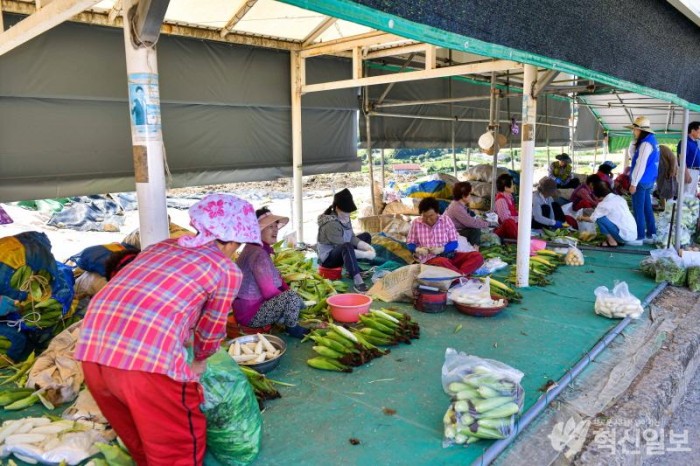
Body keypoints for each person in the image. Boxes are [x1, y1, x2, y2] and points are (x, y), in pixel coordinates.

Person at [75, 194, 260, 465]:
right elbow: (210, 329)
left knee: (138, 435)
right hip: (147, 364)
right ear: (233, 240)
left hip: (92, 351)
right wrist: (199, 361)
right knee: (177, 446)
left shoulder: (161, 247)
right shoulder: (225, 269)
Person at [234, 207, 308, 338]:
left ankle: (284, 318)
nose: (275, 230)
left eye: (276, 226)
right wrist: (293, 300)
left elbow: (277, 282)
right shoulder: (259, 254)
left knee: (290, 295)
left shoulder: (252, 248)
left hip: (243, 311)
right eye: (270, 227)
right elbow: (268, 292)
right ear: (258, 230)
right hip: (251, 315)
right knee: (290, 297)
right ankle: (292, 328)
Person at [406, 197, 484, 276]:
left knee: (477, 256)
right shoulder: (416, 223)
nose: (428, 220)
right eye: (425, 217)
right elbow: (410, 243)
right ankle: (460, 275)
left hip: (450, 255)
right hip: (431, 260)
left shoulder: (446, 220)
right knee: (441, 262)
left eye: (431, 216)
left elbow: (454, 243)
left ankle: (457, 276)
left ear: (437, 212)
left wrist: (442, 249)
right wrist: (417, 249)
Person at [317, 188, 375, 293]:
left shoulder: (344, 217)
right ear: (337, 208)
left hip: (343, 250)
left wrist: (365, 247)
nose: (348, 214)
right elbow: (344, 246)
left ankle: (351, 269)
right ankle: (357, 281)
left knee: (366, 236)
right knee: (347, 246)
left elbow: (351, 237)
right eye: (346, 211)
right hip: (328, 259)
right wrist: (365, 255)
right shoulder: (331, 224)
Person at [626, 116, 660, 243]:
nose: (633, 132)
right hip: (649, 180)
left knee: (638, 209)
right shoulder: (652, 140)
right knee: (647, 208)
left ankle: (639, 236)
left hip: (641, 181)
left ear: (640, 130)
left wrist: (633, 183)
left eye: (635, 129)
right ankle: (651, 234)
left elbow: (640, 164)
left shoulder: (645, 144)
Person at [581, 179, 638, 247]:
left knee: (600, 218)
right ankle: (615, 239)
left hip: (624, 236)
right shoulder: (619, 198)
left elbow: (592, 219)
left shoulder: (604, 204)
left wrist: (581, 218)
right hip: (632, 234)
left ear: (597, 195)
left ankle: (612, 241)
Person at [678, 121, 700, 198]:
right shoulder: (684, 141)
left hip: (696, 171)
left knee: (692, 195)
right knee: (685, 194)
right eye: (699, 130)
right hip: (689, 170)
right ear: (693, 130)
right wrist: (686, 173)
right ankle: (683, 210)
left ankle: (688, 210)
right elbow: (681, 159)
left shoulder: (696, 143)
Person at [493, 173, 518, 239]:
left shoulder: (509, 197)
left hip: (513, 226)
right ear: (506, 187)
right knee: (509, 222)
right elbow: (505, 219)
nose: (514, 186)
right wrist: (520, 218)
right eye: (512, 184)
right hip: (505, 230)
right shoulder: (501, 200)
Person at [656, 145, 678, 211]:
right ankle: (663, 207)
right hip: (660, 173)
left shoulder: (662, 148)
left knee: (670, 190)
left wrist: (672, 171)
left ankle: (670, 209)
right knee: (661, 190)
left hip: (668, 173)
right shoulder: (651, 151)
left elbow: (673, 158)